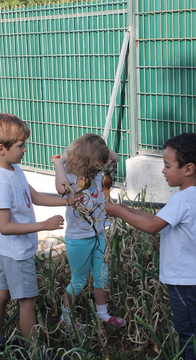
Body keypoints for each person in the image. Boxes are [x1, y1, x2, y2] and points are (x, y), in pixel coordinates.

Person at [105, 133, 196, 359]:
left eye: (167, 165)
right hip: (192, 281)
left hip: (186, 282)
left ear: (188, 169)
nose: (163, 171)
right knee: (192, 332)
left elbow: (153, 226)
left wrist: (117, 211)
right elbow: (159, 220)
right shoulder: (191, 196)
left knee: (188, 336)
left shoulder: (182, 199)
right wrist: (127, 209)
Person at [0, 113, 80, 351]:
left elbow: (33, 196)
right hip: (17, 253)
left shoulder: (14, 171)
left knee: (2, 295)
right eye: (21, 145)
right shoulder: (2, 183)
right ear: (1, 148)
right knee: (27, 302)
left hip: (9, 252)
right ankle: (36, 353)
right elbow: (5, 226)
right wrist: (43, 226)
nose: (25, 149)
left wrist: (67, 201)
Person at [51, 133, 126, 328]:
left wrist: (98, 148)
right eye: (91, 166)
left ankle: (103, 313)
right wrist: (60, 163)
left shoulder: (97, 171)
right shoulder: (69, 175)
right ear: (79, 161)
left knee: (102, 276)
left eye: (98, 166)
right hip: (79, 239)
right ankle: (66, 317)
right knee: (79, 280)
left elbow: (115, 157)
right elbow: (61, 189)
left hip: (99, 232)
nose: (95, 170)